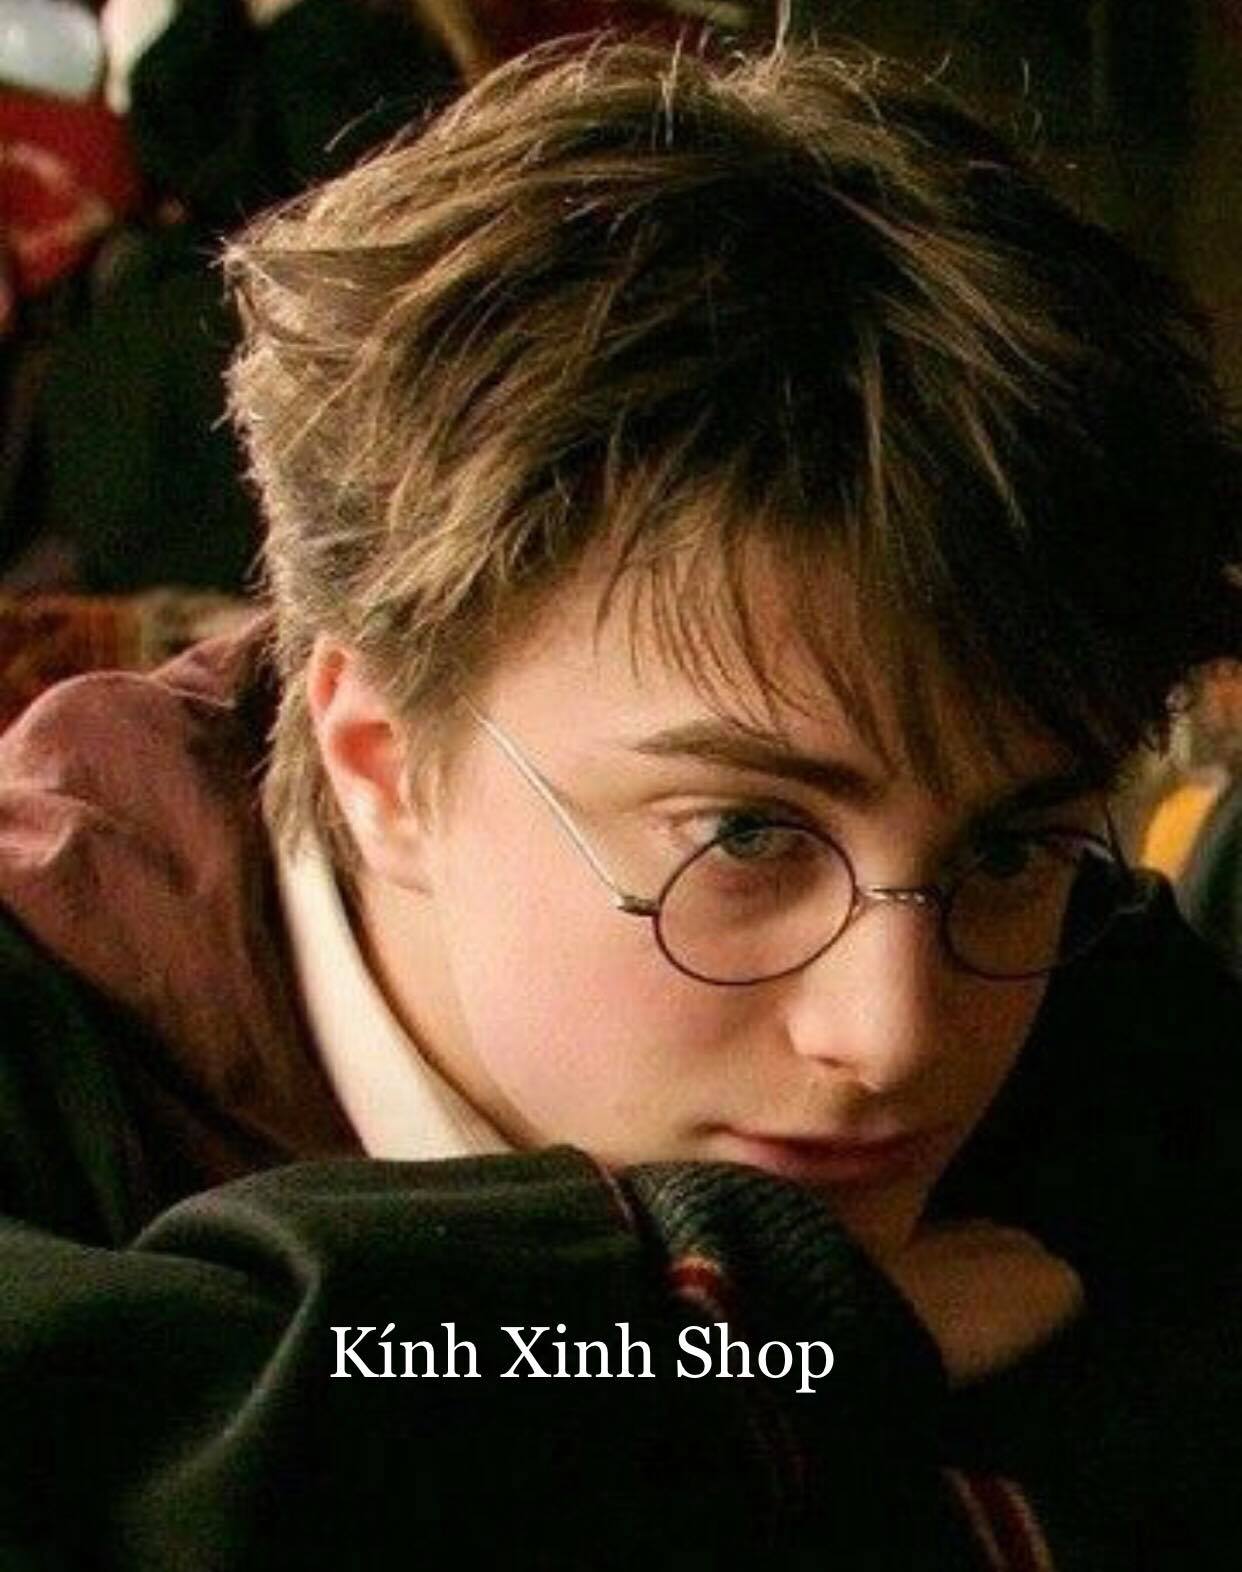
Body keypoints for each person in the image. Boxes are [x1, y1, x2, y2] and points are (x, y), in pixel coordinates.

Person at [0, 37, 1239, 1570]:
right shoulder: (44, 1041)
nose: (894, 1037)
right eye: (747, 835)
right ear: (381, 763)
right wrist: (690, 1365)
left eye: (1008, 846)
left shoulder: (1117, 1032)